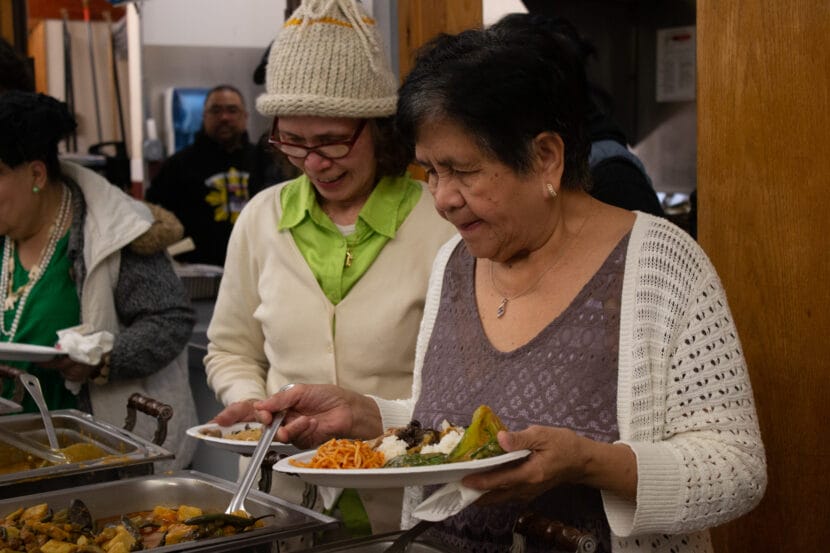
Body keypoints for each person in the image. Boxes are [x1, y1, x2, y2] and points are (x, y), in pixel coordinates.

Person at [251, 16, 767, 553]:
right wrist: (369, 415)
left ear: (546, 157)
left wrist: (590, 462)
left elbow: (736, 469)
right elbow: (456, 431)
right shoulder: (456, 259)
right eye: (430, 171)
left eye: (462, 170)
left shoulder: (659, 264)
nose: (442, 198)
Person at [205, 0, 456, 536]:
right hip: (281, 495)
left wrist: (379, 416)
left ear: (381, 129)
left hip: (406, 494)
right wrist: (250, 403)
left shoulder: (442, 224)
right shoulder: (261, 218)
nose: (314, 162)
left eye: (332, 141)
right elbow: (230, 347)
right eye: (293, 141)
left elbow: (467, 382)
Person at [0, 91, 198, 470]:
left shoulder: (115, 230)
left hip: (92, 452)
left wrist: (103, 360)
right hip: (12, 450)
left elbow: (170, 320)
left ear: (36, 174)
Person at [146, 85, 274, 266]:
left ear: (245, 117)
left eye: (232, 110)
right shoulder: (177, 165)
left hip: (254, 267)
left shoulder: (266, 162)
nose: (224, 117)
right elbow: (153, 216)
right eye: (216, 110)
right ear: (204, 117)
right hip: (195, 272)